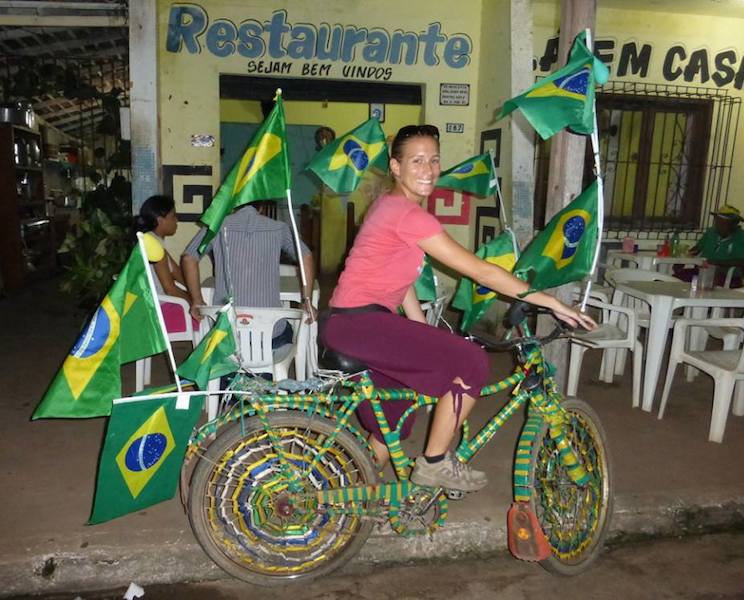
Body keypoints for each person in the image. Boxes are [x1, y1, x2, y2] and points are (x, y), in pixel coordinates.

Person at [319, 124, 596, 493]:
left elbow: (397, 284)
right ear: (396, 167)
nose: (428, 169)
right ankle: (434, 463)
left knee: (393, 423)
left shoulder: (388, 207)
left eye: (433, 160)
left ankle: (346, 502)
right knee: (471, 362)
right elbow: (481, 270)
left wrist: (421, 328)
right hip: (361, 323)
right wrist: (550, 301)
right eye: (416, 161)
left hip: (353, 323)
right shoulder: (408, 215)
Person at [182, 202, 317, 347]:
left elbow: (189, 258)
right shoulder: (279, 228)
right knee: (288, 328)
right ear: (261, 207)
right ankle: (267, 367)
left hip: (226, 334)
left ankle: (233, 366)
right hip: (271, 337)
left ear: (233, 204)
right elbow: (306, 257)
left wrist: (196, 300)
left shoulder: (215, 227)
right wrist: (306, 300)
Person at [674, 204, 744, 288]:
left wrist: (714, 262)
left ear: (733, 224)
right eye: (717, 221)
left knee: (701, 284)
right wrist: (682, 260)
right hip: (703, 272)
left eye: (722, 223)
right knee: (674, 280)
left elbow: (742, 262)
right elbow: (696, 249)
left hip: (726, 276)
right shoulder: (711, 232)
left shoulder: (742, 237)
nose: (717, 225)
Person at [134, 194, 191, 304]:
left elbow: (177, 272)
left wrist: (195, 293)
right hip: (158, 308)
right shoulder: (153, 245)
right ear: (160, 221)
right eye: (173, 216)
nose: (176, 220)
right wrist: (195, 303)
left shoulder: (154, 240)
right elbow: (170, 289)